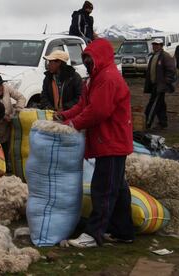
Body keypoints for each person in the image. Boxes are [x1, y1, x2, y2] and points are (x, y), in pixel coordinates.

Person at [56, 38, 134, 248]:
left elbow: (98, 111)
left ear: (100, 57)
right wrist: (63, 116)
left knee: (104, 189)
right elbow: (83, 105)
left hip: (111, 140)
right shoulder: (95, 78)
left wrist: (74, 124)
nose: (88, 62)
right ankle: (123, 231)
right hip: (108, 140)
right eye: (85, 59)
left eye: (90, 58)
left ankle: (94, 234)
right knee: (117, 187)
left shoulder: (108, 79)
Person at [144, 38, 176, 130]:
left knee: (153, 104)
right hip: (155, 84)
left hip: (160, 86)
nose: (155, 46)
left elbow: (171, 71)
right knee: (160, 104)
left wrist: (166, 82)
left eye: (157, 45)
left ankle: (147, 123)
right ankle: (163, 123)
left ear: (161, 46)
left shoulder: (165, 56)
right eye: (154, 44)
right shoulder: (154, 56)